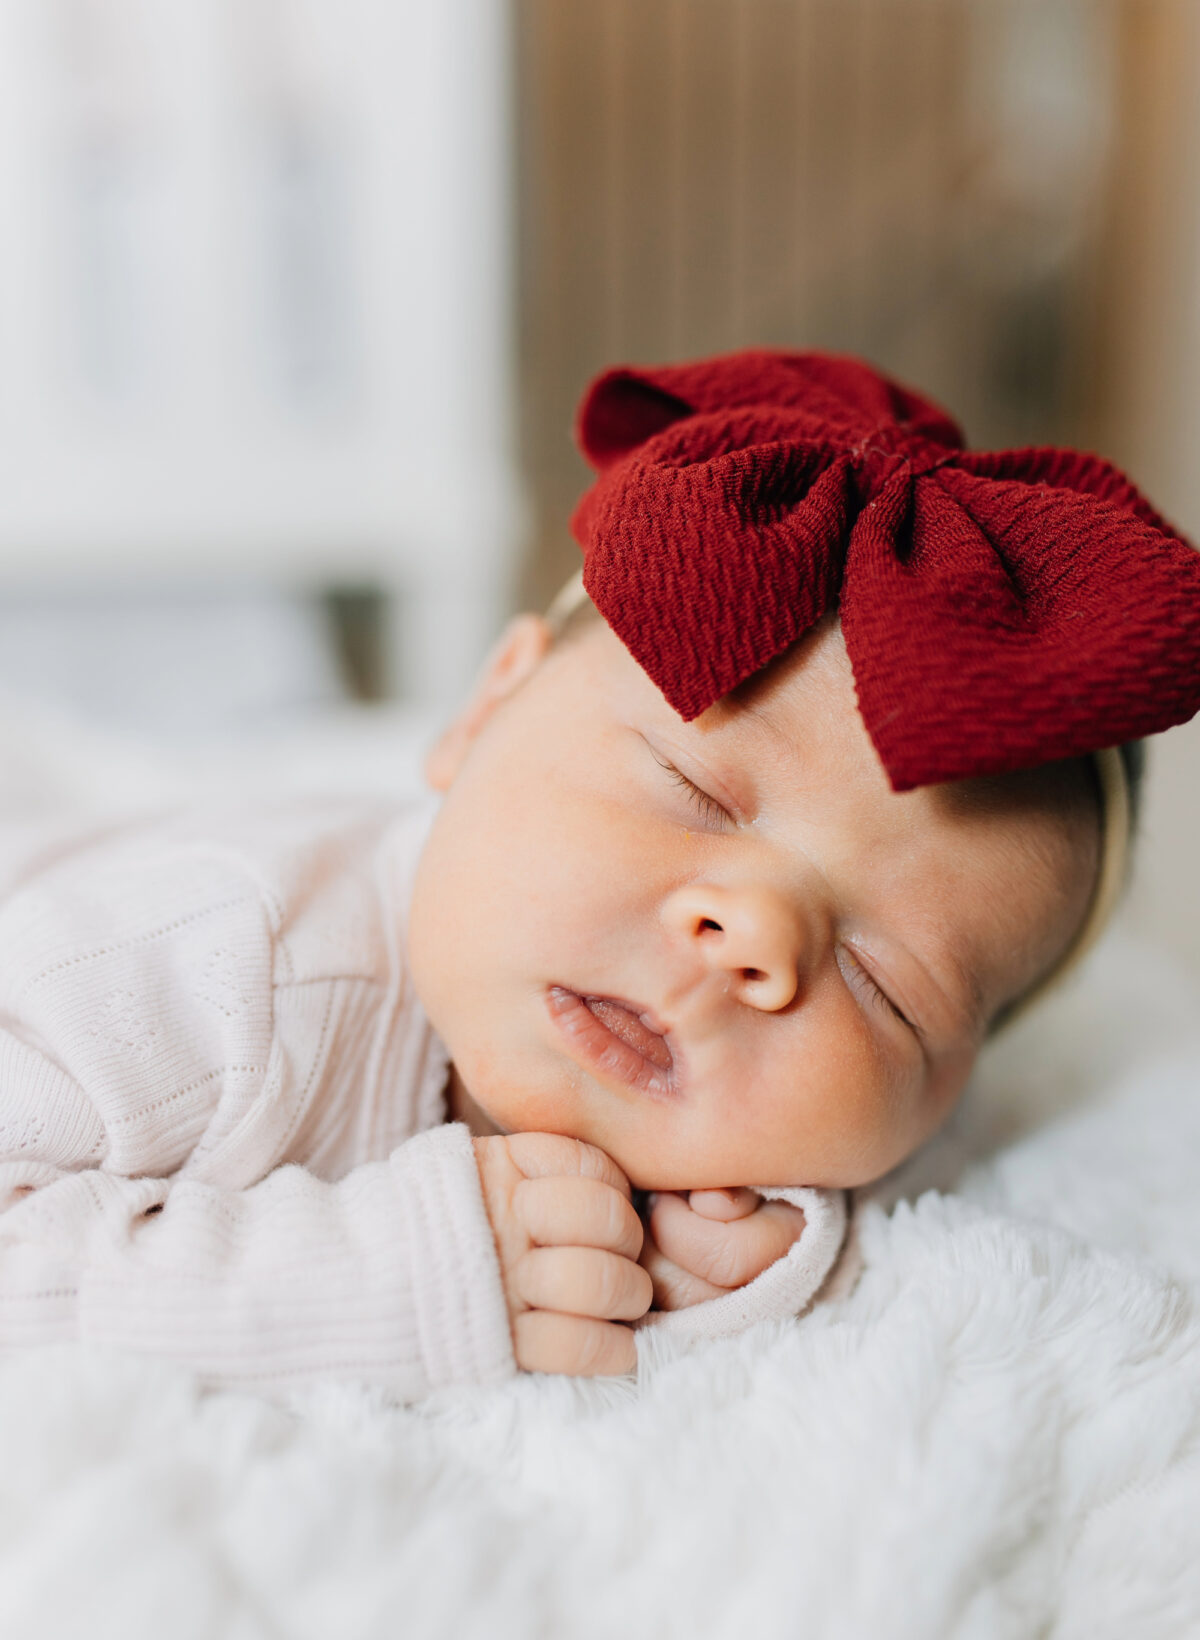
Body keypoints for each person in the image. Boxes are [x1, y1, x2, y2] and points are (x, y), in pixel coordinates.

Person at [0, 350, 1194, 1400]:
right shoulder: (210, 968)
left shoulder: (791, 1142)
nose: (754, 934)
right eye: (696, 794)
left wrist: (723, 1264)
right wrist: (388, 1277)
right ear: (483, 709)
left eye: (890, 989)